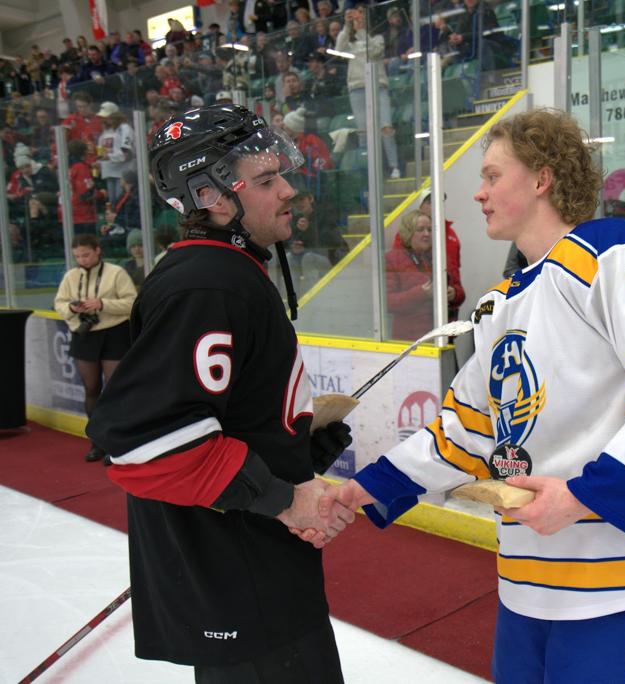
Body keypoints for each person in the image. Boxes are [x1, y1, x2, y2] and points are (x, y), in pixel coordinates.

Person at [331, 109, 625, 682]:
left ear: (542, 179)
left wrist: (582, 497)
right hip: (528, 579)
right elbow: (465, 431)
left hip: (624, 577)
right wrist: (360, 490)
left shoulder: (614, 252)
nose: (478, 193)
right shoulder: (503, 302)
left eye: (493, 175)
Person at [85, 105, 356, 682]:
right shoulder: (208, 284)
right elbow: (143, 442)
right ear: (210, 196)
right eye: (264, 181)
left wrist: (296, 453)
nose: (288, 188)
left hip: (253, 576)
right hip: (241, 585)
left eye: (279, 172)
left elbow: (220, 419)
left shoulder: (227, 273)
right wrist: (284, 499)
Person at [54, 233, 137, 462]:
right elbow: (59, 304)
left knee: (113, 389)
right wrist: (72, 308)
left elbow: (133, 302)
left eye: (86, 254)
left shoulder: (116, 273)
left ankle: (117, 444)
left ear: (98, 250)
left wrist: (103, 304)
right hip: (85, 334)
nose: (82, 260)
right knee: (91, 389)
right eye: (78, 256)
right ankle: (97, 442)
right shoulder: (71, 276)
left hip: (114, 332)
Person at [336, 4, 401, 178]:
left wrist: (362, 31)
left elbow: (375, 52)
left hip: (377, 86)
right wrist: (347, 25)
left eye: (361, 15)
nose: (358, 18)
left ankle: (394, 166)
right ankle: (370, 170)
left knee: (386, 127)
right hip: (357, 88)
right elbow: (339, 50)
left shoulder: (377, 38)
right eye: (356, 15)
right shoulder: (350, 41)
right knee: (364, 132)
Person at [385, 211, 464, 340]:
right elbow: (388, 303)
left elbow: (461, 293)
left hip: (442, 337)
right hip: (410, 340)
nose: (427, 234)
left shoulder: (441, 258)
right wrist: (421, 293)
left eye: (429, 229)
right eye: (420, 230)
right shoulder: (392, 259)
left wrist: (454, 294)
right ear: (408, 232)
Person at [95, 102, 134, 204]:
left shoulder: (124, 129)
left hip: (122, 172)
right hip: (109, 171)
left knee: (120, 201)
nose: (105, 119)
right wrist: (100, 162)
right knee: (112, 203)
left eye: (108, 117)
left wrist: (109, 157)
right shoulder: (106, 132)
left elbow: (127, 154)